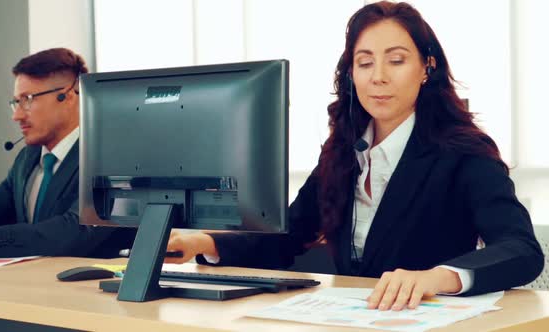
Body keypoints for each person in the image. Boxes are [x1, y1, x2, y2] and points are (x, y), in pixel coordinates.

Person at [163, 1, 544, 311]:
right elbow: (290, 234)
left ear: (426, 68)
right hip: (356, 317)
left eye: (396, 60)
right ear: (351, 75)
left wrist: (434, 277)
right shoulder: (343, 150)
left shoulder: (464, 151)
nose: (378, 76)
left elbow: (521, 250)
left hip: (428, 319)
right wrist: (205, 243)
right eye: (364, 63)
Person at [0, 48, 135, 258]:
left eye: (28, 99)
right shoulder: (27, 158)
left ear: (68, 96)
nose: (17, 115)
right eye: (17, 101)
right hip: (34, 283)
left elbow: (71, 233)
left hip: (92, 287)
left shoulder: (114, 158)